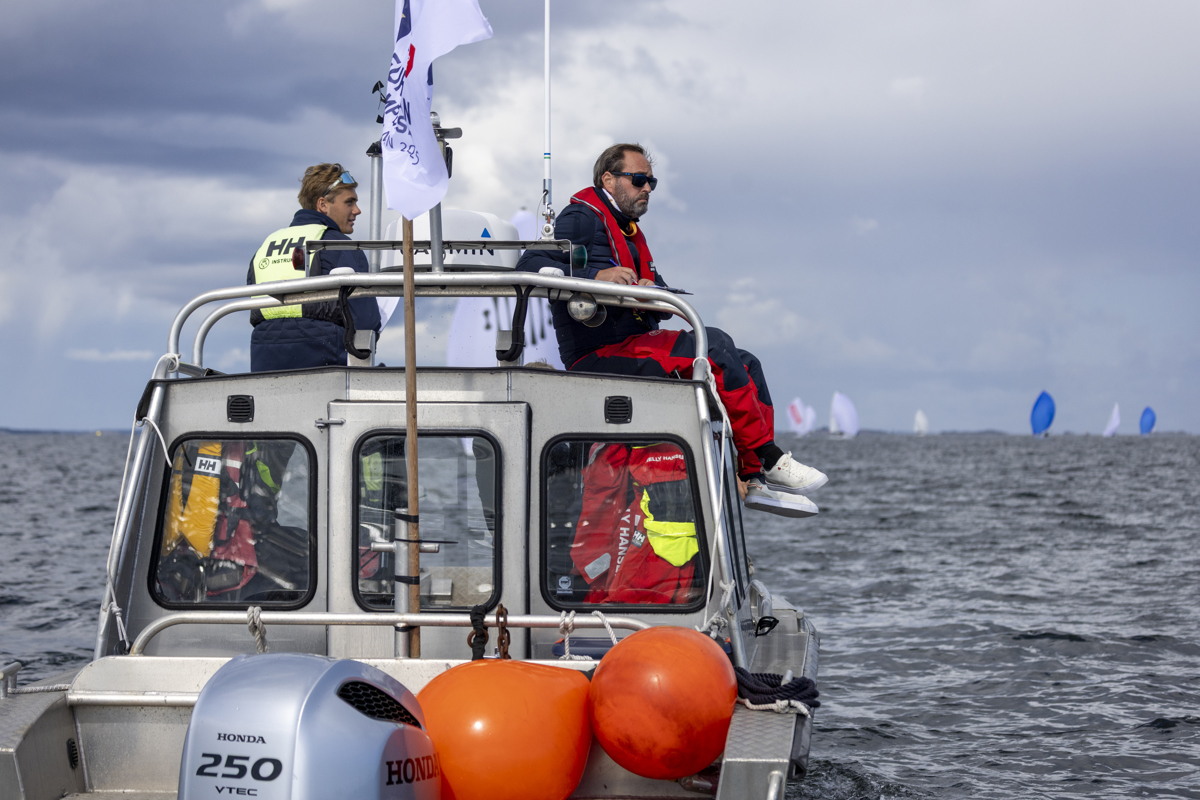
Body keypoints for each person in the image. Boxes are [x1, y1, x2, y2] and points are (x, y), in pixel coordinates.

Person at [516, 144, 826, 517]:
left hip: (632, 344)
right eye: (639, 179)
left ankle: (755, 478)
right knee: (715, 347)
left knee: (746, 363)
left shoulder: (627, 232)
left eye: (652, 182)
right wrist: (597, 275)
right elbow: (529, 264)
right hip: (599, 354)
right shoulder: (581, 218)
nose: (647, 188)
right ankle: (769, 458)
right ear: (608, 180)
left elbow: (656, 286)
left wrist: (652, 291)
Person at [247, 163, 381, 371]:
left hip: (264, 360)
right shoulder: (338, 244)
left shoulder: (265, 246)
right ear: (323, 205)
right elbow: (366, 320)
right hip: (325, 358)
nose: (357, 210)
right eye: (349, 202)